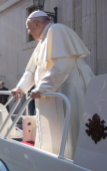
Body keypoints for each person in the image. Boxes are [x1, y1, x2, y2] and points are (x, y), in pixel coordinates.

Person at [11, 10, 95, 159]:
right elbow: (32, 70)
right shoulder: (43, 40)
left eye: (29, 29)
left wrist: (41, 88)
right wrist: (20, 88)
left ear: (37, 24)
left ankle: (72, 162)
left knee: (69, 130)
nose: (29, 33)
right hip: (55, 90)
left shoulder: (56, 30)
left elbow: (61, 66)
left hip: (70, 87)